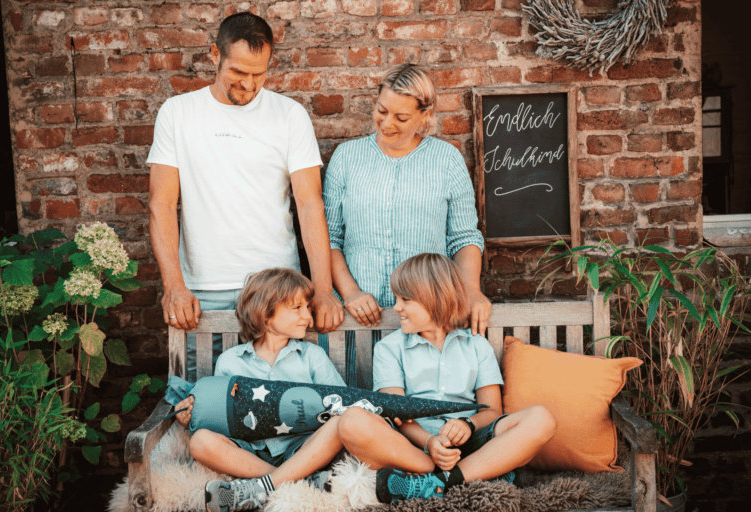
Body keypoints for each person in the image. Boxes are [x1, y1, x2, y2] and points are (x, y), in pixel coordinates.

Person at [148, 12, 343, 381]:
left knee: (286, 407)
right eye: (238, 72)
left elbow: (309, 203)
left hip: (279, 290)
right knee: (201, 404)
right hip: (204, 291)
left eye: (259, 73)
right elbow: (161, 204)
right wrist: (173, 285)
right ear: (213, 55)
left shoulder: (290, 115)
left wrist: (322, 289)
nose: (249, 84)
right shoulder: (178, 114)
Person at [337, 253, 556, 503]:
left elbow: (493, 411)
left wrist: (468, 424)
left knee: (542, 418)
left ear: (435, 299)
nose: (396, 307)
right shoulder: (389, 348)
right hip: (412, 447)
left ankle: (437, 483)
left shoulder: (476, 345)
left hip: (470, 444)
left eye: (405, 299)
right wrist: (430, 442)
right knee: (351, 422)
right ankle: (478, 473)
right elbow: (396, 413)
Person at [323, 64, 491, 337]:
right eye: (382, 110)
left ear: (424, 116)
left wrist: (471, 292)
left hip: (428, 316)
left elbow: (464, 238)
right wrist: (351, 292)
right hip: (358, 317)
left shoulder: (447, 159)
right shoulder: (346, 158)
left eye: (401, 117)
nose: (387, 123)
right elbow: (329, 237)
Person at [173, 268, 347, 512]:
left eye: (307, 308)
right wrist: (187, 417)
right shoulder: (230, 361)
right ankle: (297, 481)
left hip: (303, 448)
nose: (307, 316)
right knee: (200, 442)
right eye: (297, 308)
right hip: (250, 452)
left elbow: (342, 403)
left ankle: (261, 487)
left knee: (339, 426)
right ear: (265, 314)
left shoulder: (312, 357)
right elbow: (217, 417)